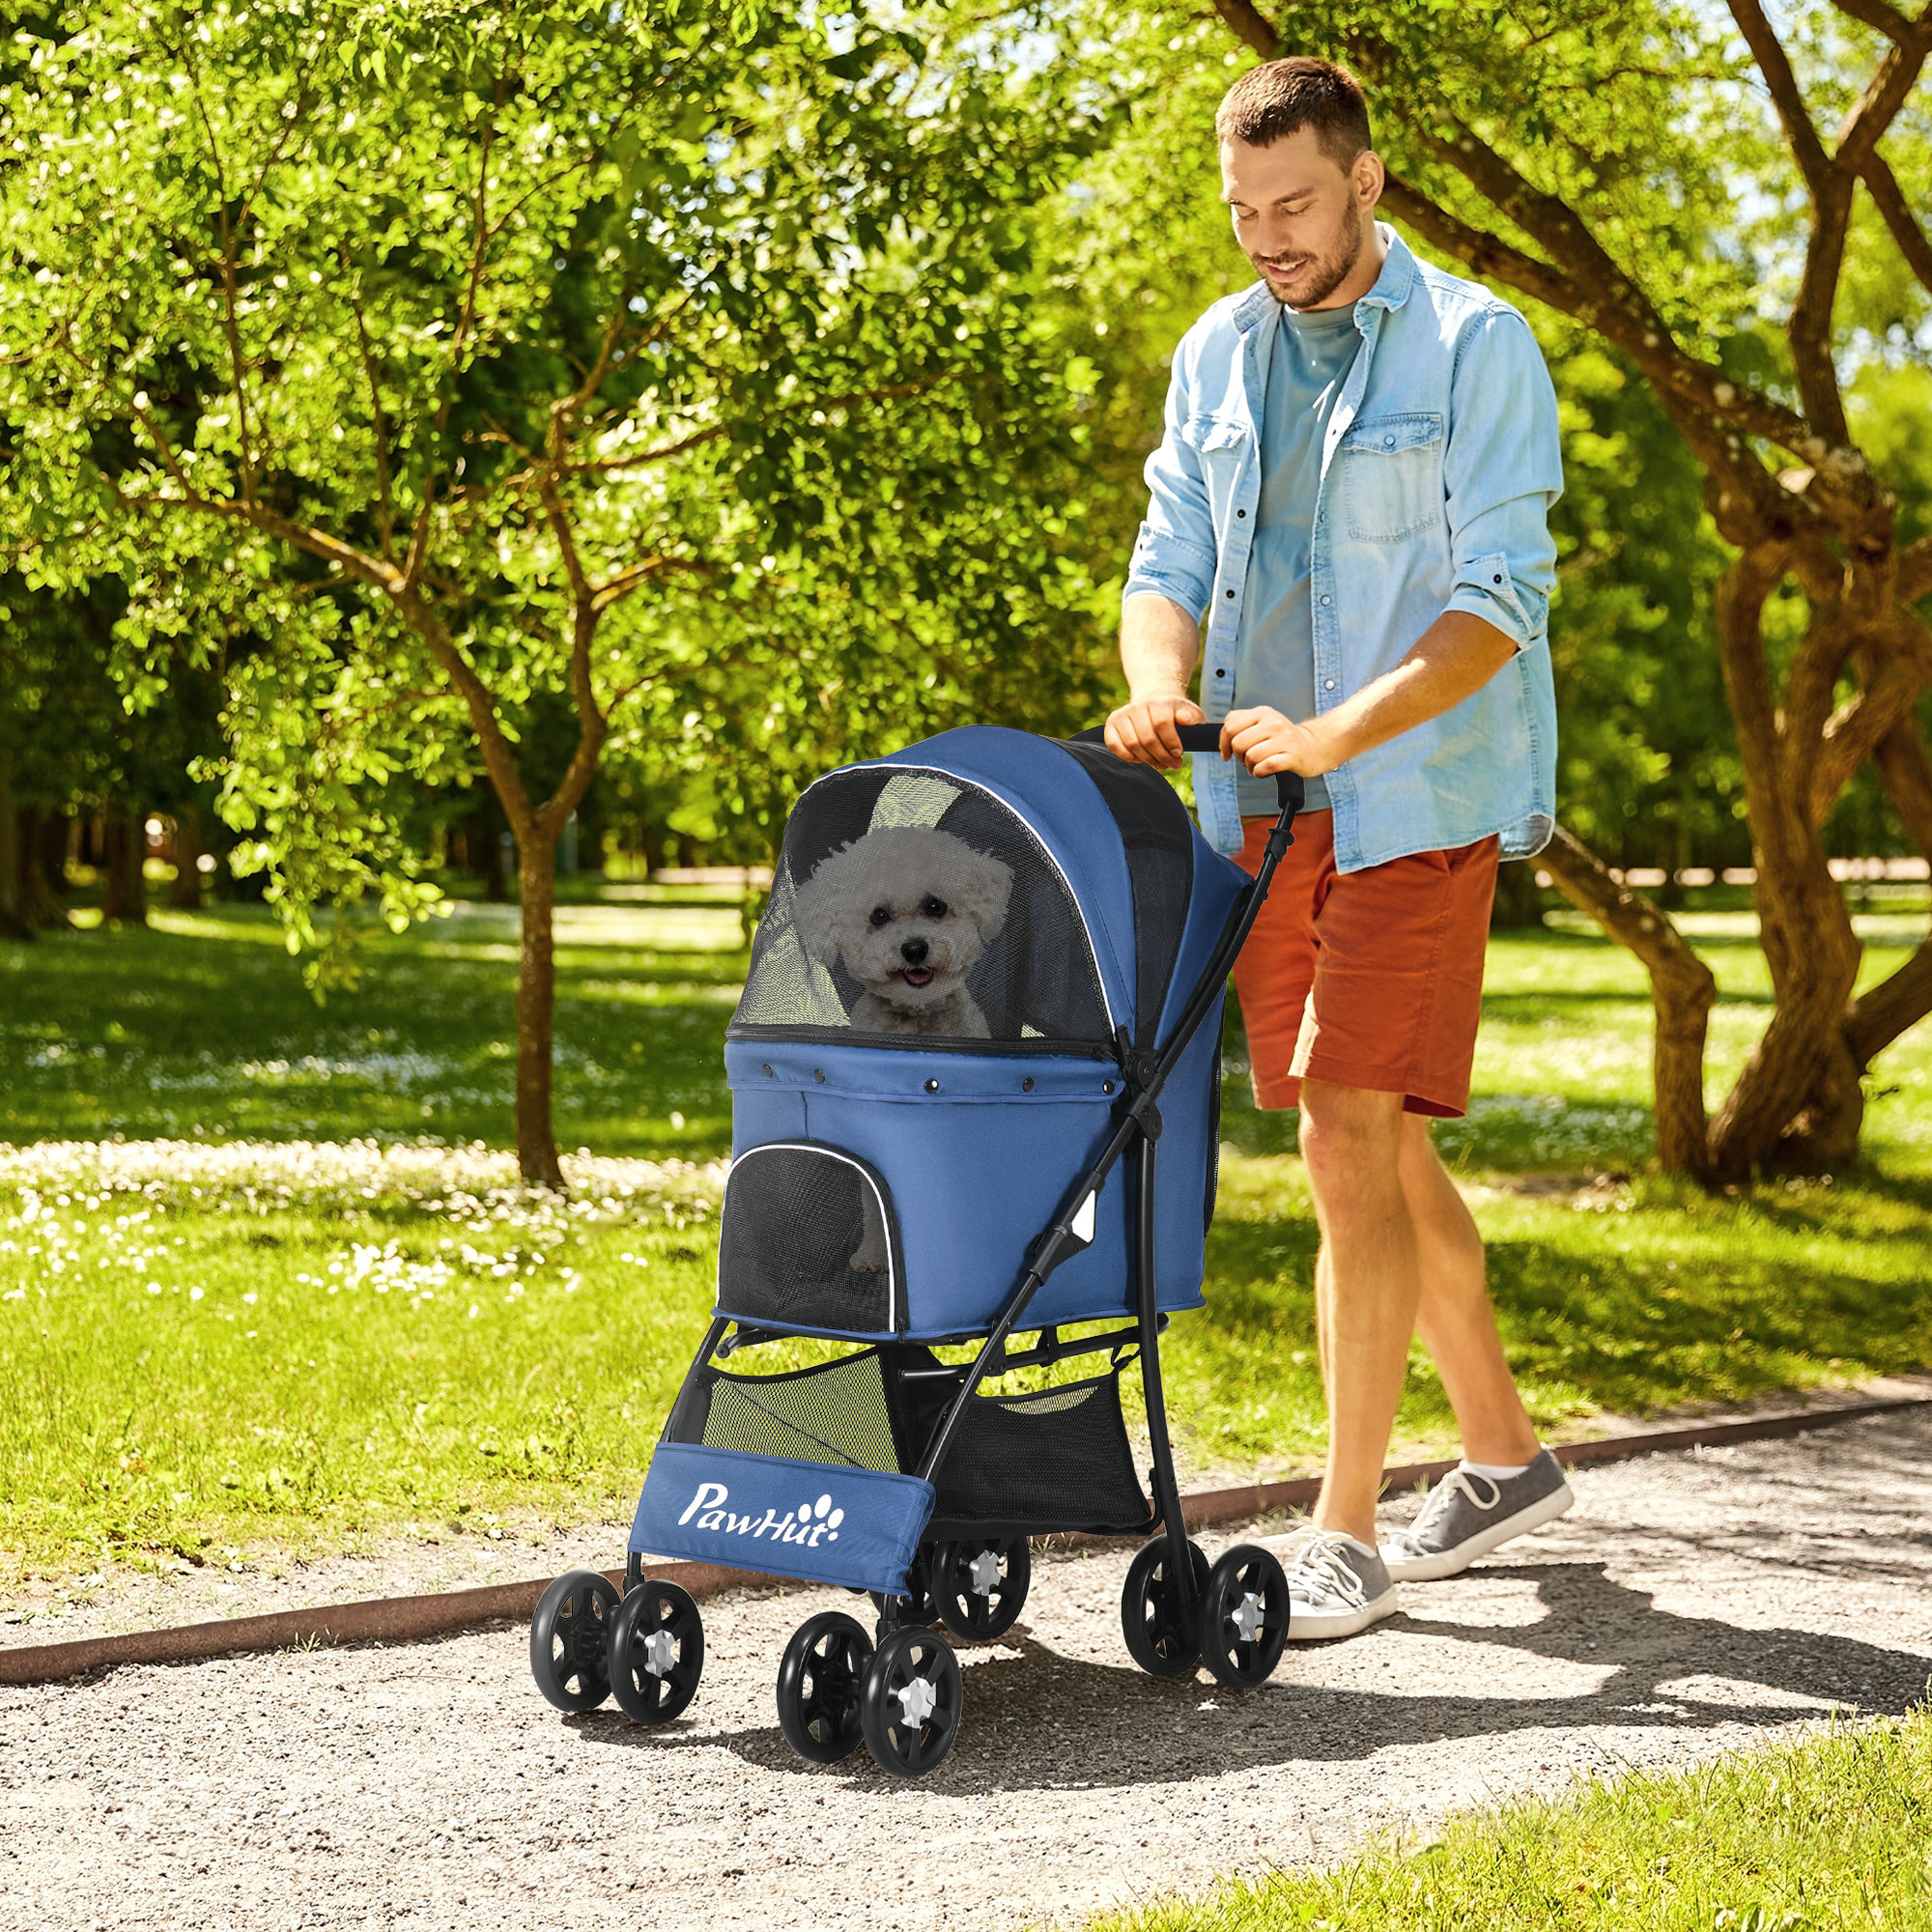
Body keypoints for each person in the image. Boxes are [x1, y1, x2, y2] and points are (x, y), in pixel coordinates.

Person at [1105, 56, 1573, 1639]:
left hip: (1414, 802)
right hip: (1259, 809)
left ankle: (1346, 1528)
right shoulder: (1221, 354)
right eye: (1242, 212)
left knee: (1339, 1142)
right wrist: (1159, 687)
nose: (1267, 239)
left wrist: (1332, 736)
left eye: (1293, 205)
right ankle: (1503, 1458)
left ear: (1366, 181)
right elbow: (1169, 550)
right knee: (1369, 1138)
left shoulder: (1473, 346)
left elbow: (1499, 600)